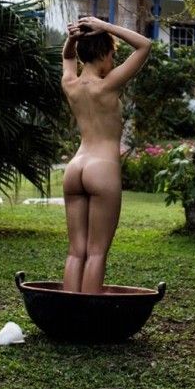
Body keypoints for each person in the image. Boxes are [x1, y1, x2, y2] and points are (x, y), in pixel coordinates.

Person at [61, 15, 152, 294]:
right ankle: (88, 315)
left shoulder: (70, 83)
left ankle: (67, 312)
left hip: (75, 168)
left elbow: (67, 56)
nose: (113, 62)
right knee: (97, 252)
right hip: (101, 168)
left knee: (76, 251)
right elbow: (145, 46)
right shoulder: (107, 84)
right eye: (112, 55)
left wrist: (73, 38)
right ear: (102, 54)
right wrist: (106, 27)